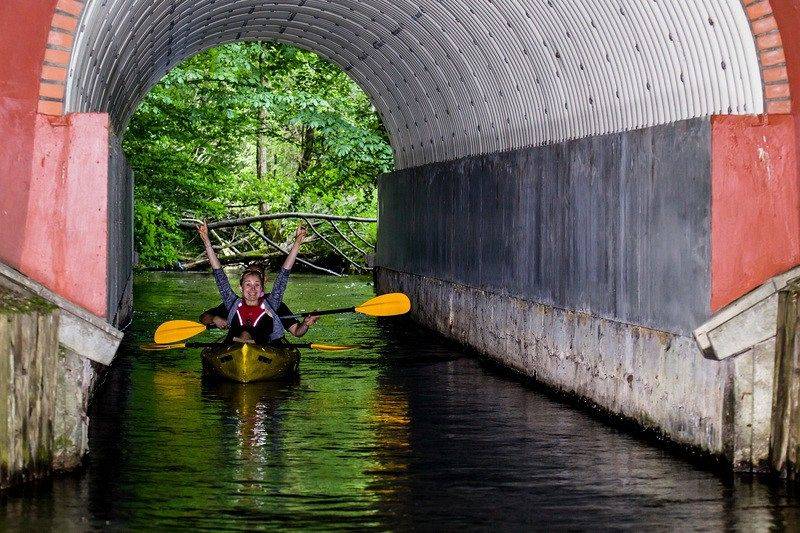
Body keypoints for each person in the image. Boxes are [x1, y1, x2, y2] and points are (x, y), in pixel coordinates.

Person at [197, 222, 318, 345]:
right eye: (248, 284)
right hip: (233, 347)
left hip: (264, 350)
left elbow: (283, 275)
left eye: (257, 285)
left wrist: (297, 244)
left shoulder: (272, 303)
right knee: (243, 334)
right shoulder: (231, 303)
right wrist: (207, 243)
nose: (252, 289)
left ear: (262, 288)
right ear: (241, 287)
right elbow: (219, 275)